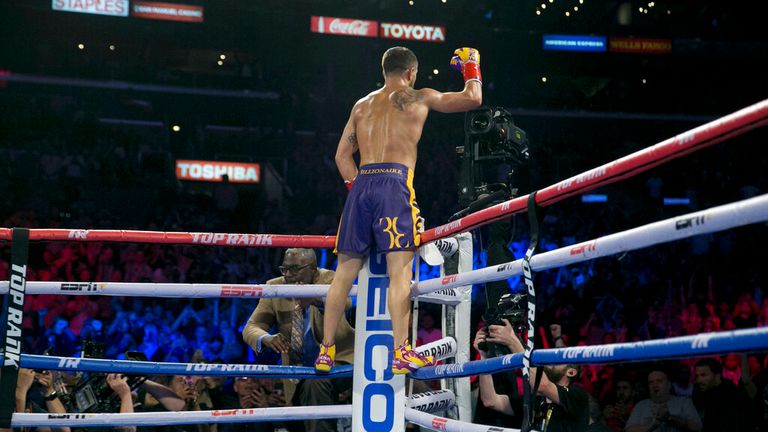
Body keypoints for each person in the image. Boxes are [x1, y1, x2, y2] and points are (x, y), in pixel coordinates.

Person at [316, 45, 483, 374]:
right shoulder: (417, 97)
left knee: (343, 276)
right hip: (394, 184)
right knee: (400, 275)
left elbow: (341, 156)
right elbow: (472, 99)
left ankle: (325, 350)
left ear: (384, 71)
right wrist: (471, 66)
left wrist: (359, 189)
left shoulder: (361, 105)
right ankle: (401, 352)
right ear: (410, 73)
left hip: (361, 185)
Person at [242, 248, 354, 432]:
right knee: (294, 415)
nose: (288, 275)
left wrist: (315, 299)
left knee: (315, 383)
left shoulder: (329, 279)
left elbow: (346, 302)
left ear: (312, 269)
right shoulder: (275, 286)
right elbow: (251, 328)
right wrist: (266, 337)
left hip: (340, 361)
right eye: (284, 269)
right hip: (297, 372)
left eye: (295, 269)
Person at [473, 320, 589, 431]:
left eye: (558, 359)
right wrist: (484, 356)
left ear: (571, 372)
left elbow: (542, 385)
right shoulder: (536, 401)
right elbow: (491, 401)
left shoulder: (577, 396)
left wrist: (512, 341)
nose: (551, 359)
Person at [625, 368, 701, 432]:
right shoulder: (641, 405)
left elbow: (698, 427)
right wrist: (652, 425)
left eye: (659, 381)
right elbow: (629, 429)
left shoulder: (684, 402)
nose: (655, 385)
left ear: (668, 385)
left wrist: (670, 418)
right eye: (651, 382)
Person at [692, 357, 752, 432]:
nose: (699, 380)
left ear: (717, 376)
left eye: (703, 375)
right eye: (697, 376)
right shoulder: (700, 393)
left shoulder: (732, 395)